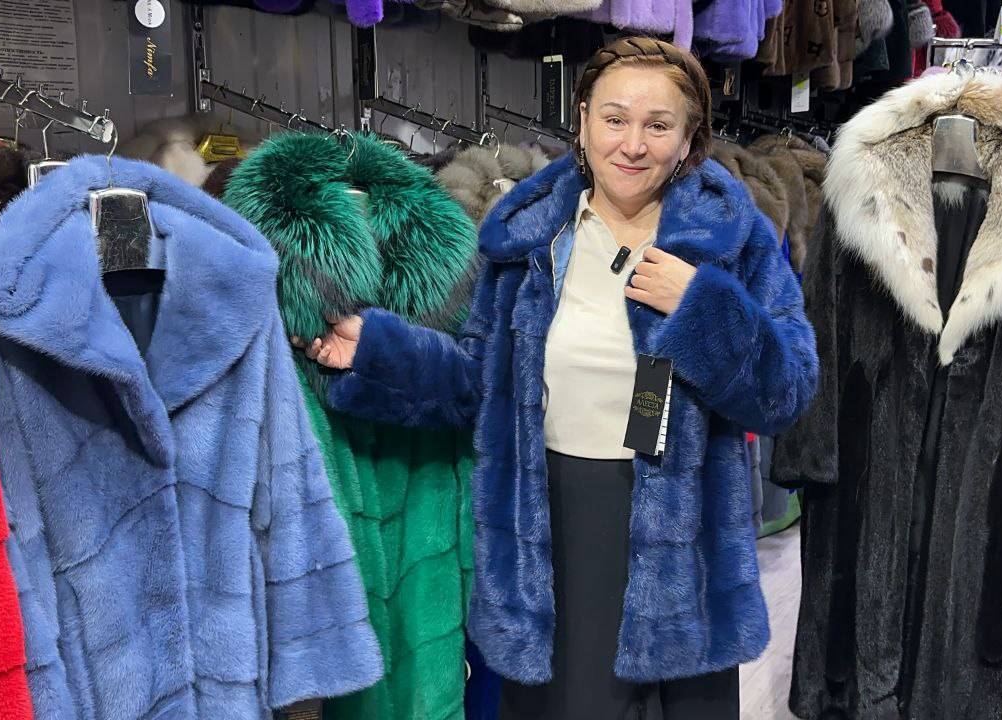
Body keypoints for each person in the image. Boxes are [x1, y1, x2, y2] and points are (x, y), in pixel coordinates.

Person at [293, 36, 817, 720]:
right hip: (554, 530)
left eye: (659, 125)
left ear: (690, 138)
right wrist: (378, 351)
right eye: (615, 118)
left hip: (686, 555)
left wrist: (701, 308)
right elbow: (479, 385)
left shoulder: (730, 238)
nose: (633, 144)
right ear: (583, 120)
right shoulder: (530, 237)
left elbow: (788, 392)